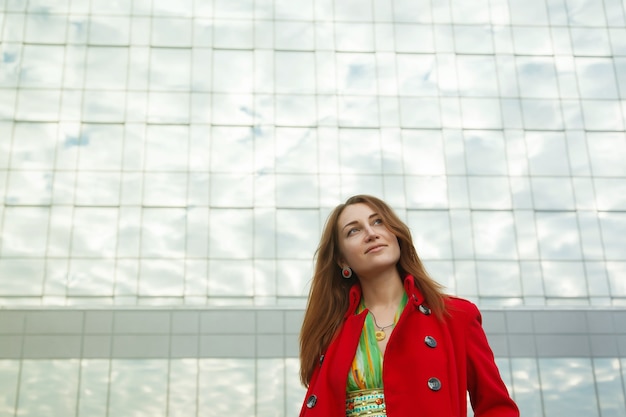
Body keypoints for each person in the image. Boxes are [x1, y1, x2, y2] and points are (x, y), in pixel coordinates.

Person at [298, 195, 519, 417]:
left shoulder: (456, 316)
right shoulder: (330, 332)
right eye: (353, 231)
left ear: (396, 235)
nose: (371, 233)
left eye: (378, 222)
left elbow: (497, 408)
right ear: (342, 260)